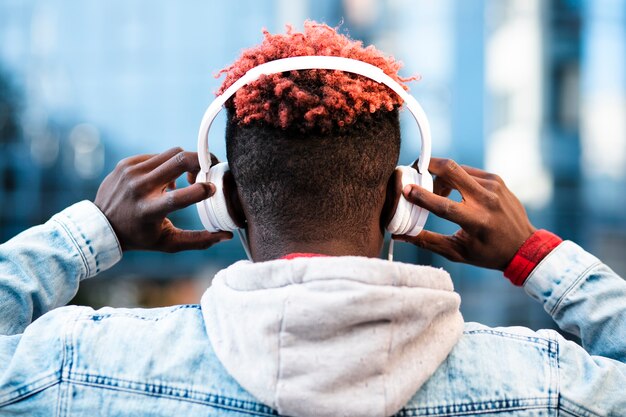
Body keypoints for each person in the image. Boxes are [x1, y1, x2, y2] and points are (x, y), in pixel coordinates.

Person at [0, 21, 625, 417]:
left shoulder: (82, 364)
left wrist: (94, 233)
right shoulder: (547, 383)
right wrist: (535, 254)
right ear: (400, 201)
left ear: (227, 201)